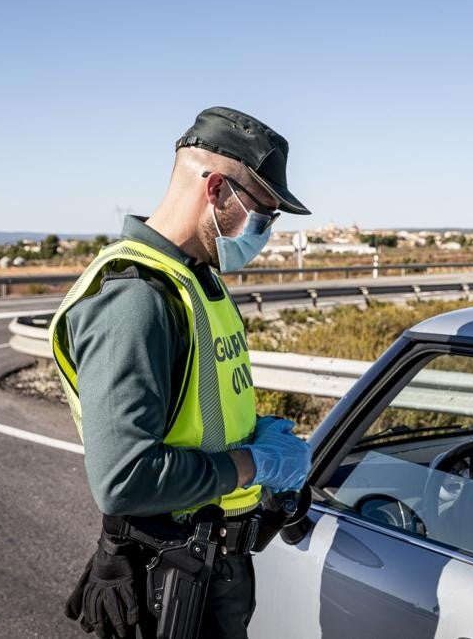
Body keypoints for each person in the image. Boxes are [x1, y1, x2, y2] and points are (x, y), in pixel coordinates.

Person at [49, 107, 312, 639]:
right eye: (263, 214)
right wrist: (254, 462)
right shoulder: (136, 300)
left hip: (208, 570)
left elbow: (196, 410)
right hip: (166, 584)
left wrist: (250, 433)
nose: (265, 233)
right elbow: (124, 478)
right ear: (216, 189)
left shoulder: (194, 281)